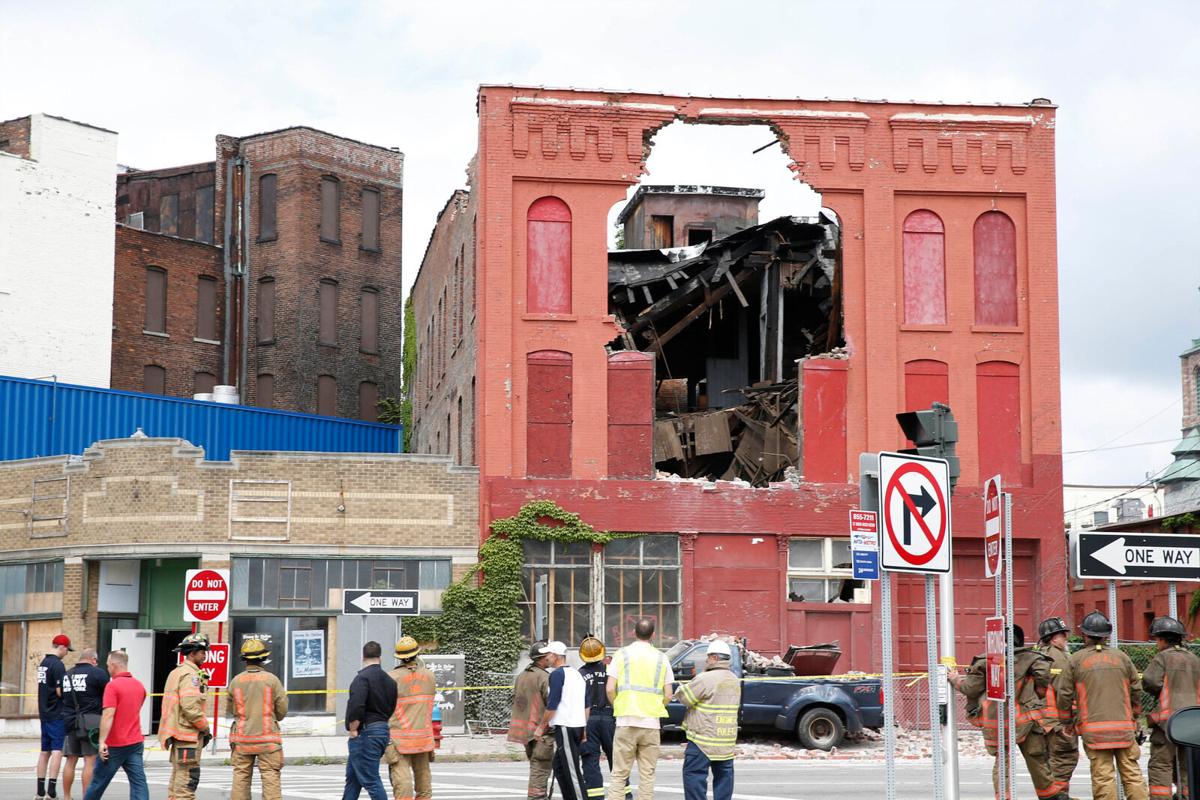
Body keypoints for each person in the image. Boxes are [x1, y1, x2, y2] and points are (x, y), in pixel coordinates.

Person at [947, 624, 1058, 800]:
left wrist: (954, 679)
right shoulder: (1032, 659)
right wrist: (1037, 693)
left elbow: (971, 688)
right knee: (1036, 758)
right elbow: (1044, 677)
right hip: (1026, 721)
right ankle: (1051, 796)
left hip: (998, 722)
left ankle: (1004, 797)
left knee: (1002, 763)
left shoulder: (985, 661)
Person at [1056, 611, 1149, 800]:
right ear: (1107, 635)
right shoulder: (1122, 657)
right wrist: (1135, 716)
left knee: (1103, 776)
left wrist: (1066, 721)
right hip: (1124, 728)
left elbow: (1064, 694)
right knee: (1132, 774)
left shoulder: (1076, 660)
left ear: (1085, 634)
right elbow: (1136, 690)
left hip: (1094, 731)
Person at [605, 617, 673, 800]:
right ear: (653, 635)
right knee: (647, 775)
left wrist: (617, 706)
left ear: (633, 633)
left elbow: (610, 688)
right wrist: (657, 707)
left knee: (619, 773)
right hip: (651, 724)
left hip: (626, 720)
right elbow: (668, 694)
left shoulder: (621, 654)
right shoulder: (662, 658)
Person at [1142, 615, 1200, 800]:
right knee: (1187, 765)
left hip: (1167, 723)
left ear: (1162, 639)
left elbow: (1150, 681)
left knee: (1161, 764)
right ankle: (1187, 795)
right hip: (1192, 723)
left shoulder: (1162, 658)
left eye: (1157, 639)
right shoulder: (1194, 659)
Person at [675, 639, 740, 800]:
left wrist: (680, 687)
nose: (706, 660)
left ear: (715, 658)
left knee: (694, 776)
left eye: (709, 656)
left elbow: (685, 698)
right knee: (724, 780)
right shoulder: (734, 679)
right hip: (726, 742)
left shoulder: (705, 678)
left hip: (703, 741)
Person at [81, 650, 148, 800]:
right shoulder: (139, 686)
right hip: (135, 742)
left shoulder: (112, 686)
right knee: (139, 783)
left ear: (113, 665)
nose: (107, 669)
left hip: (115, 744)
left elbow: (108, 714)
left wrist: (102, 741)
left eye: (107, 665)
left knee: (98, 783)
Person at [226, 638, 288, 800]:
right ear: (263, 659)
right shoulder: (272, 680)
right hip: (268, 740)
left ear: (244, 659)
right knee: (270, 776)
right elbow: (282, 710)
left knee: (241, 777)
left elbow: (232, 710)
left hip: (242, 739)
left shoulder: (235, 682)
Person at [159, 633, 211, 800]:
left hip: (178, 734)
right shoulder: (191, 675)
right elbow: (190, 707)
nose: (205, 655)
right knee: (187, 781)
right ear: (192, 653)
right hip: (188, 736)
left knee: (178, 779)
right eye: (202, 651)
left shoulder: (177, 672)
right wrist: (205, 728)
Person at [343, 641, 396, 800]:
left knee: (371, 780)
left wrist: (353, 729)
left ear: (363, 656)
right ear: (380, 657)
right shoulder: (390, 681)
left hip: (366, 733)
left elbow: (356, 706)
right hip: (382, 730)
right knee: (353, 779)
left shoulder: (361, 679)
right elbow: (392, 706)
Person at [1034, 616, 1079, 800]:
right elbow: (1065, 692)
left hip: (1040, 721)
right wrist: (1069, 721)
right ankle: (1059, 796)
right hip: (1058, 722)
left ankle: (1052, 795)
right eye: (1063, 635)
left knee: (1048, 763)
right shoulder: (1058, 658)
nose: (1066, 639)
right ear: (1053, 638)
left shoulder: (1038, 655)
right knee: (1064, 760)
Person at [386, 636, 436, 800]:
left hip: (399, 739)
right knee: (424, 783)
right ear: (417, 654)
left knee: (402, 781)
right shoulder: (429, 677)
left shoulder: (391, 678)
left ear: (399, 656)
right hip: (423, 738)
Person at [540, 641, 587, 800]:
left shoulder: (557, 675)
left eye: (548, 654)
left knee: (572, 770)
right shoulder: (576, 674)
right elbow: (586, 704)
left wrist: (542, 726)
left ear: (555, 656)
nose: (546, 658)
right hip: (576, 725)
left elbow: (552, 704)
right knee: (560, 768)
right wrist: (584, 728)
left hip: (566, 725)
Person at [61, 648, 109, 800]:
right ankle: (86, 796)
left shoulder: (66, 674)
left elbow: (62, 695)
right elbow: (108, 694)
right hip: (91, 722)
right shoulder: (98, 673)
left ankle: (67, 796)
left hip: (70, 721)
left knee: (71, 759)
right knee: (90, 760)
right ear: (93, 660)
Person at [509, 641, 554, 800]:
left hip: (525, 733)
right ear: (542, 658)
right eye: (549, 655)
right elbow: (551, 705)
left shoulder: (522, 675)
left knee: (535, 767)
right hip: (541, 732)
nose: (551, 657)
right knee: (540, 768)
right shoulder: (545, 677)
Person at [578, 634, 618, 800]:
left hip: (589, 721)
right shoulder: (611, 672)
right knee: (617, 762)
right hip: (610, 719)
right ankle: (623, 795)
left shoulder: (579, 674)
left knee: (590, 760)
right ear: (602, 652)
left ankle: (595, 797)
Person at [37, 634, 72, 800]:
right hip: (56, 713)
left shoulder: (43, 663)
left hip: (44, 712)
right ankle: (51, 790)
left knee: (44, 751)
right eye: (67, 650)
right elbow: (60, 690)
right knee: (57, 751)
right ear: (62, 647)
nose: (67, 653)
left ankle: (39, 790)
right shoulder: (58, 665)